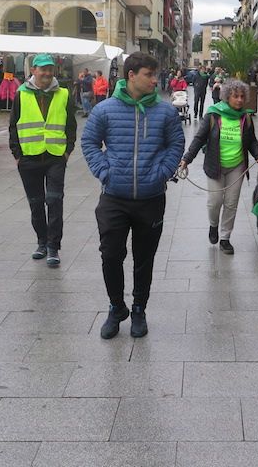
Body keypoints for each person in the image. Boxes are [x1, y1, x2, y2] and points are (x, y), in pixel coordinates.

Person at [81, 52, 184, 340]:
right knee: (111, 255)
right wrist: (105, 172)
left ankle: (139, 309)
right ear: (131, 76)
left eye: (155, 74)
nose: (155, 79)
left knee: (144, 258)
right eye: (149, 75)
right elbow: (88, 141)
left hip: (151, 198)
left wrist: (162, 172)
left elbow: (176, 143)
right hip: (114, 196)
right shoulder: (105, 110)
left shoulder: (165, 112)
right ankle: (116, 308)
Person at [180, 79, 258, 255]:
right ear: (227, 97)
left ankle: (225, 238)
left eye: (242, 96)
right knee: (215, 202)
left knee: (231, 203)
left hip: (237, 166)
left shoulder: (246, 117)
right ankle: (213, 225)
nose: (240, 100)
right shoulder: (213, 115)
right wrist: (186, 159)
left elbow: (252, 141)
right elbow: (199, 139)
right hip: (215, 166)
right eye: (235, 96)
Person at [9, 54, 77, 267]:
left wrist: (68, 150)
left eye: (50, 69)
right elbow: (13, 125)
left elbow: (71, 125)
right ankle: (41, 241)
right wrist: (17, 154)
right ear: (34, 71)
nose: (47, 73)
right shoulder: (21, 94)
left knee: (55, 201)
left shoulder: (64, 94)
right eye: (42, 69)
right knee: (36, 203)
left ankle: (53, 246)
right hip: (29, 157)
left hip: (55, 156)